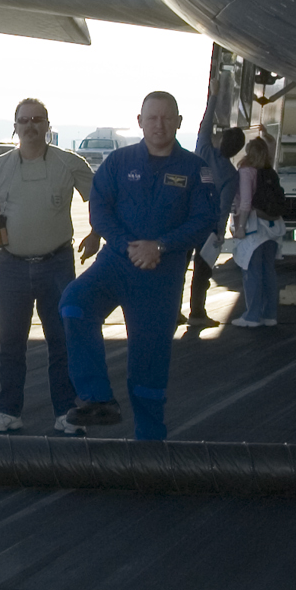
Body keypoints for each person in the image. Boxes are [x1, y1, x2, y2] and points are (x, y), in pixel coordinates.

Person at [61, 91, 222, 440]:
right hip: (116, 264)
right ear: (140, 121)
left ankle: (150, 442)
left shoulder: (196, 170)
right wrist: (126, 245)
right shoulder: (118, 163)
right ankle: (96, 398)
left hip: (160, 274)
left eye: (167, 118)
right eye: (152, 118)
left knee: (148, 362)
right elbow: (100, 209)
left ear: (179, 122)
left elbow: (205, 217)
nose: (159, 124)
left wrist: (160, 246)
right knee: (74, 304)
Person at [0, 98, 94, 431]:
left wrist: (96, 234)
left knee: (61, 342)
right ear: (14, 126)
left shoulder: (69, 163)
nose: (30, 126)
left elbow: (102, 199)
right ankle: (8, 411)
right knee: (10, 344)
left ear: (48, 125)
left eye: (37, 119)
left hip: (57, 265)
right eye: (23, 120)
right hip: (11, 268)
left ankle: (66, 412)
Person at [185, 126, 247, 334]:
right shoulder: (231, 174)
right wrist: (220, 231)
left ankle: (173, 311)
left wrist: (213, 96)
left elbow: (203, 126)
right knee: (202, 272)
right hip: (208, 226)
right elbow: (224, 206)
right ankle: (197, 313)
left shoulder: (203, 152)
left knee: (178, 269)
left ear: (221, 140)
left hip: (184, 220)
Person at [226, 129, 288, 327]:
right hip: (272, 226)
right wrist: (269, 138)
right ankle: (269, 314)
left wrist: (240, 227)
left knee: (251, 271)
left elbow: (245, 203)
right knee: (268, 271)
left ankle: (251, 315)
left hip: (253, 227)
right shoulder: (268, 171)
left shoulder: (246, 172)